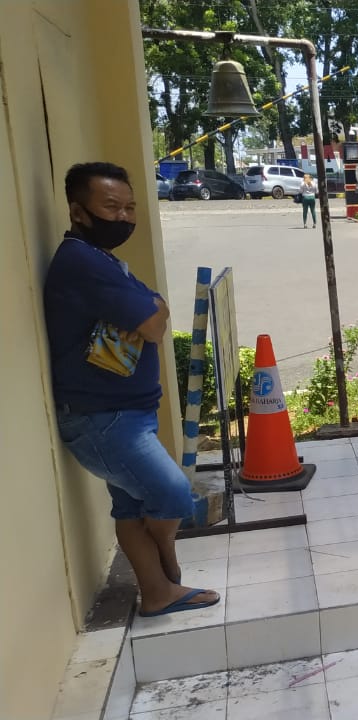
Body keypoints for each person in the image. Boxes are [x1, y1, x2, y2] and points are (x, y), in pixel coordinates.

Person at [44, 162, 220, 618]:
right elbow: (153, 322)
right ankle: (167, 564)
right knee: (173, 496)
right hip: (103, 419)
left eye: (129, 208)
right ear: (78, 211)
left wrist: (154, 310)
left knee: (129, 507)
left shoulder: (99, 259)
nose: (123, 217)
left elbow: (157, 311)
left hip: (120, 413)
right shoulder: (83, 262)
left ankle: (158, 593)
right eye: (110, 207)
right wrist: (154, 311)